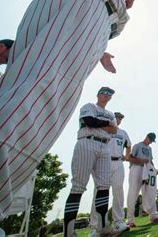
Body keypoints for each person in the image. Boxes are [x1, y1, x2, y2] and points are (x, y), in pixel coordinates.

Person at [0, 0, 145, 220]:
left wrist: (99, 49)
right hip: (82, 2)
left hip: (76, 9)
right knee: (38, 103)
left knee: (25, 95)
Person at [63, 87, 122, 236]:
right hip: (86, 142)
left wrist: (98, 122)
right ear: (98, 94)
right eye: (104, 92)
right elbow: (88, 121)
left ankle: (102, 226)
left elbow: (114, 130)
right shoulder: (89, 106)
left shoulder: (110, 114)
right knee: (78, 186)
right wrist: (105, 124)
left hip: (104, 145)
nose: (107, 95)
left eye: (109, 94)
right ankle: (68, 232)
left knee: (104, 186)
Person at [89, 112, 131, 235]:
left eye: (120, 119)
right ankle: (96, 225)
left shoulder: (123, 133)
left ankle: (118, 221)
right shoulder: (103, 129)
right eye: (116, 118)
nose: (118, 120)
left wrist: (126, 156)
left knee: (118, 189)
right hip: (103, 161)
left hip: (118, 162)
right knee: (99, 192)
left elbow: (129, 145)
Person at [126, 133, 158, 227]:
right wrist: (141, 161)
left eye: (152, 141)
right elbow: (129, 158)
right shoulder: (137, 146)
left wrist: (154, 170)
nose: (150, 143)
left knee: (151, 191)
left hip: (147, 170)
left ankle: (153, 216)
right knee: (133, 193)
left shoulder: (149, 149)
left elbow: (150, 161)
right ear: (146, 137)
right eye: (150, 140)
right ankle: (130, 220)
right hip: (136, 169)